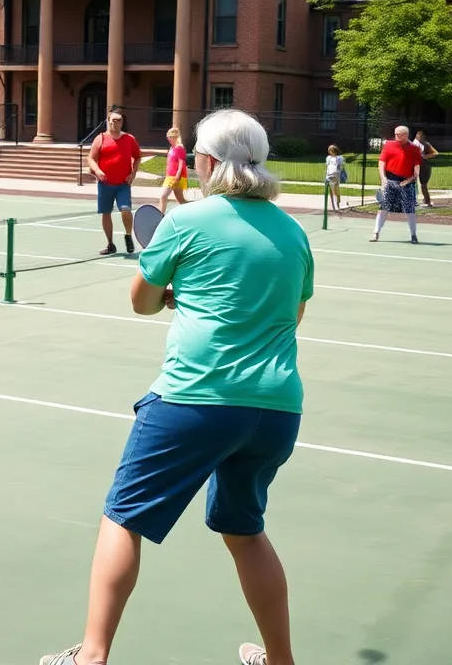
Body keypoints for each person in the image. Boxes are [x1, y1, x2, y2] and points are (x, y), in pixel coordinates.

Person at [41, 109, 313, 665]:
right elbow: (294, 314)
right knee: (245, 530)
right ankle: (281, 660)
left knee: (123, 517)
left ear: (208, 162)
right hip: (277, 411)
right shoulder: (294, 230)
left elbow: (141, 301)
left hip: (196, 400)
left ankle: (91, 657)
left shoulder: (187, 221)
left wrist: (172, 294)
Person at [86, 109, 141, 255]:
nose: (114, 122)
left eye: (117, 120)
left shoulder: (129, 139)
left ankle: (128, 236)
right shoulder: (101, 138)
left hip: (123, 184)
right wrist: (97, 170)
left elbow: (137, 157)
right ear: (108, 121)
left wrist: (133, 173)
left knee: (125, 209)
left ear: (122, 122)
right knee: (106, 213)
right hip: (105, 184)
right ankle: (110, 244)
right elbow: (91, 158)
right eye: (112, 120)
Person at [372, 125, 423, 243]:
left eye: (398, 134)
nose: (396, 136)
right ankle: (376, 232)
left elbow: (416, 170)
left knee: (410, 210)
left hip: (406, 182)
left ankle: (413, 235)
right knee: (384, 208)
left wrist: (409, 180)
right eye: (395, 134)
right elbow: (381, 163)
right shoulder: (389, 145)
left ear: (405, 135)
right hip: (391, 180)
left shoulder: (415, 149)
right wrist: (383, 178)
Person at [156, 126, 189, 215]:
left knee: (163, 196)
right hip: (170, 176)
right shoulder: (172, 148)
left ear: (175, 137)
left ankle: (160, 216)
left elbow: (181, 161)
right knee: (181, 200)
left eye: (171, 137)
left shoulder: (179, 147)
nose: (169, 139)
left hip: (175, 176)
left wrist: (178, 175)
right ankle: (191, 211)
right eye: (168, 137)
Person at [412, 127, 439, 207]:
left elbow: (436, 153)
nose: (418, 136)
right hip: (415, 166)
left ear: (424, 136)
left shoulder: (426, 144)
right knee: (412, 184)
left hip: (424, 167)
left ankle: (428, 201)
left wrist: (425, 156)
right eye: (417, 134)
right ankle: (413, 201)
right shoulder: (413, 143)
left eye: (420, 134)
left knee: (423, 185)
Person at [325, 144, 346, 212]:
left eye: (329, 150)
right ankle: (336, 205)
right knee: (335, 190)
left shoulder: (338, 158)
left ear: (332, 151)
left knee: (334, 191)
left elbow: (340, 167)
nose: (329, 152)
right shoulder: (330, 158)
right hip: (333, 175)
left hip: (333, 175)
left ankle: (336, 206)